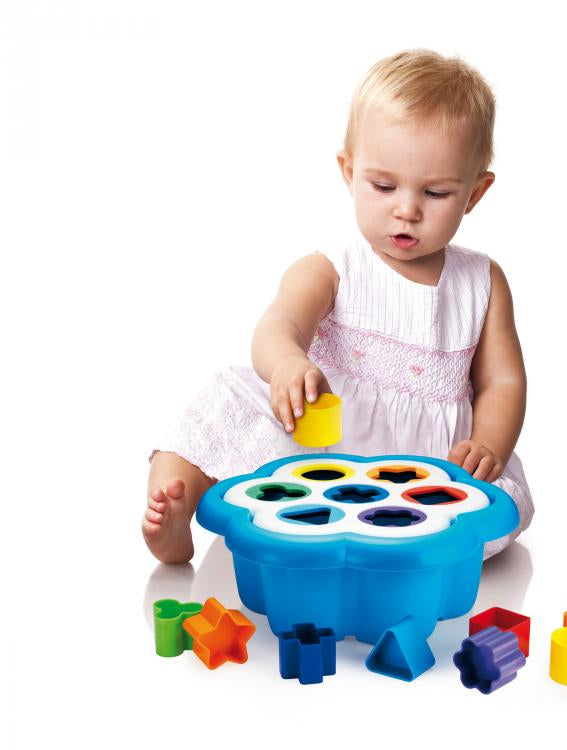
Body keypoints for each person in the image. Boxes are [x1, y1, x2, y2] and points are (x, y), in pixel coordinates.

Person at [142, 48, 534, 564]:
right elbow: (279, 324)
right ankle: (177, 501)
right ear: (349, 171)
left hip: (427, 464)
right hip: (319, 444)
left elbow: (502, 382)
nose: (407, 209)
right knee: (223, 404)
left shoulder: (482, 282)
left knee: (492, 507)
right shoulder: (330, 268)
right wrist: (288, 363)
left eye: (437, 193)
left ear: (475, 193)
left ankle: (400, 553)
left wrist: (488, 443)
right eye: (384, 185)